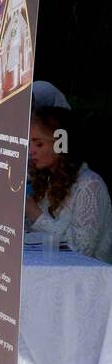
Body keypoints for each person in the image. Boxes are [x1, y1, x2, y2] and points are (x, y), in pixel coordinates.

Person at [26, 106, 112, 262]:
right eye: (30, 143)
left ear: (61, 145)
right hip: (51, 269)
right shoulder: (47, 180)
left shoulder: (90, 186)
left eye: (39, 145)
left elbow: (81, 249)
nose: (31, 151)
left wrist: (36, 214)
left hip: (87, 278)